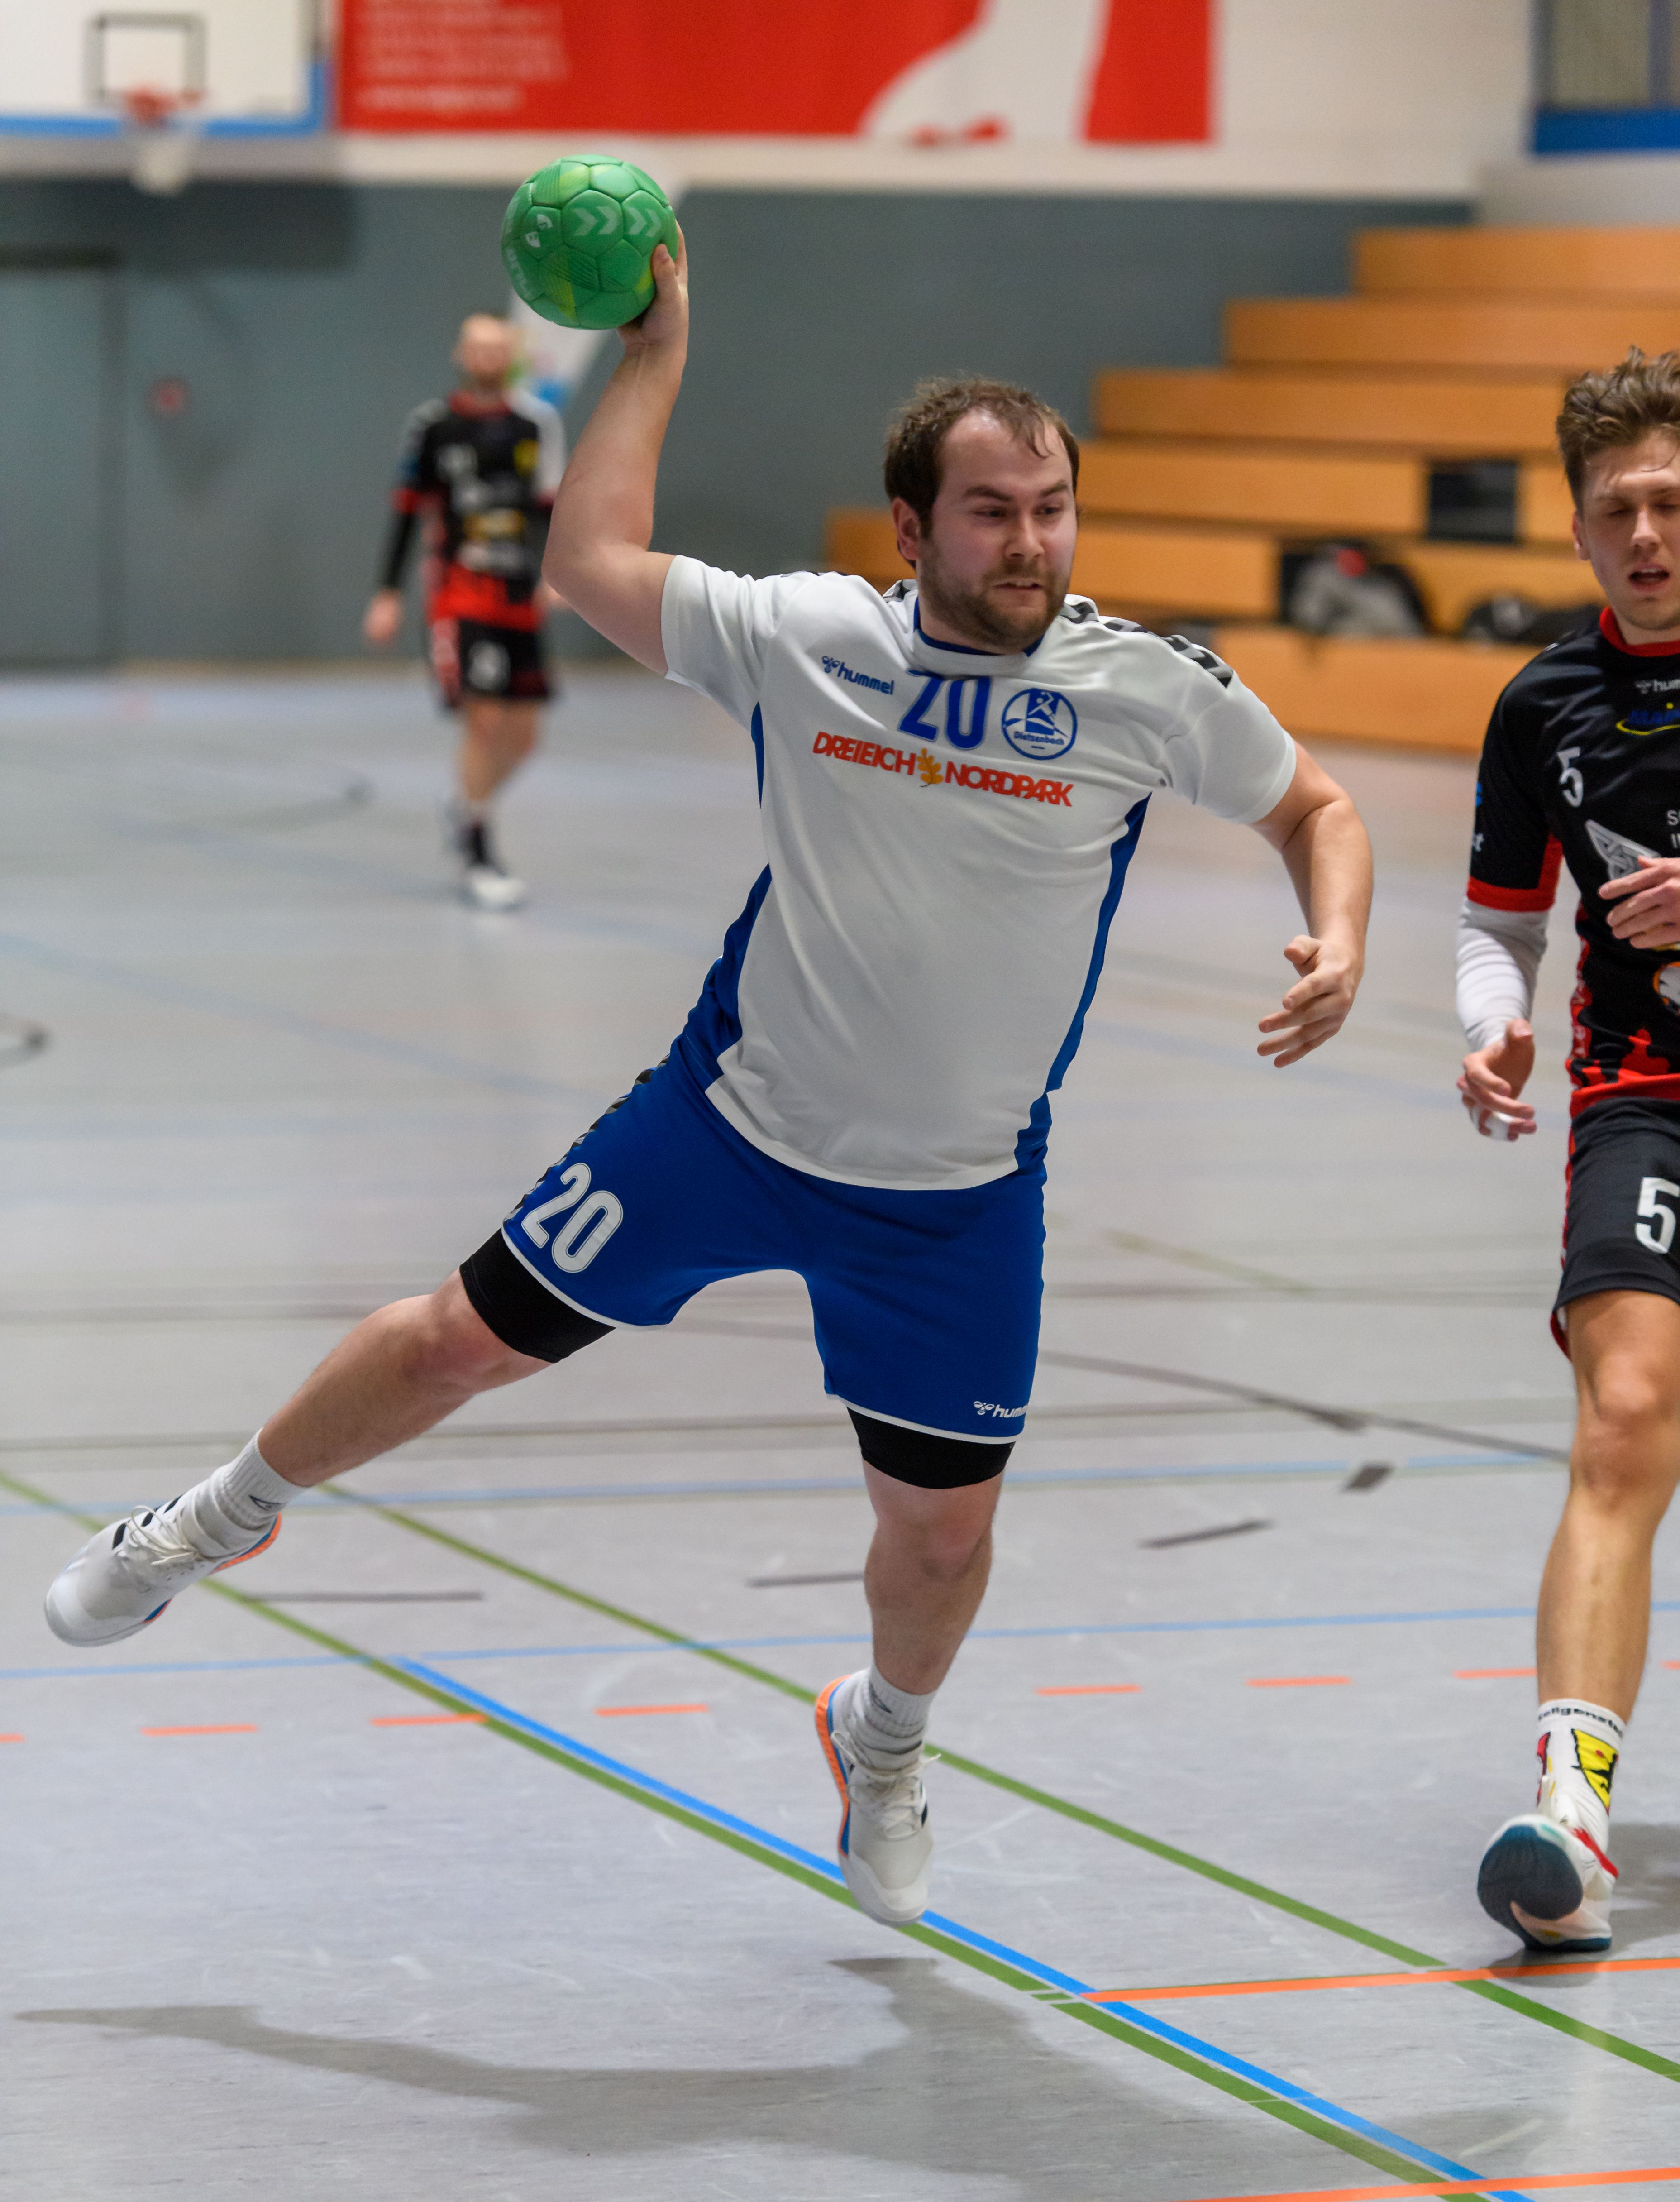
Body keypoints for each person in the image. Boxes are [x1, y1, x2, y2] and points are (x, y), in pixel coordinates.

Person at [45, 239, 1372, 1931]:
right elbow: (587, 560)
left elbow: (1317, 806)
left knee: (941, 1540)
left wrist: (1339, 936)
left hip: (954, 1200)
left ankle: (881, 1740)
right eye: (991, 512)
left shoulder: (1142, 688)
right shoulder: (810, 638)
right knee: (457, 1337)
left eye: (1051, 509)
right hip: (725, 1132)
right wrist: (658, 348)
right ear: (911, 530)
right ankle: (207, 1521)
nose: (1031, 542)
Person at [1459, 348, 1680, 1954]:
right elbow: (1502, 921)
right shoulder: (1541, 703)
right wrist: (1496, 1022)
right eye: (1619, 508)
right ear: (1579, 523)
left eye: (1671, 500)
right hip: (1640, 1087)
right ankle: (1573, 1820)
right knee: (1624, 1413)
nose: (1648, 533)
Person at [363, 311, 564, 911]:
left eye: (497, 348)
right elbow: (406, 511)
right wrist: (388, 593)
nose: (486, 357)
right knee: (484, 719)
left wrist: (557, 576)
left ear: (511, 358)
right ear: (460, 355)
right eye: (476, 347)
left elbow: (551, 509)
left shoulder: (537, 424)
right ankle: (479, 850)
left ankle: (465, 806)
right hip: (459, 591)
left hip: (518, 593)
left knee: (524, 737)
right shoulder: (433, 427)